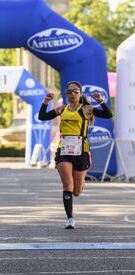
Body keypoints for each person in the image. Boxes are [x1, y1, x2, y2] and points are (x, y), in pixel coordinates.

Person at [38, 81, 113, 229]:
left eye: (76, 91)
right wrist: (46, 102)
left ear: (80, 94)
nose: (73, 94)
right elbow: (42, 117)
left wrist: (100, 101)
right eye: (70, 91)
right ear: (66, 95)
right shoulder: (61, 109)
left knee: (76, 191)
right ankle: (70, 218)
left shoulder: (87, 109)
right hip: (64, 150)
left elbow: (108, 114)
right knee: (68, 185)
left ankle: (81, 183)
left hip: (81, 151)